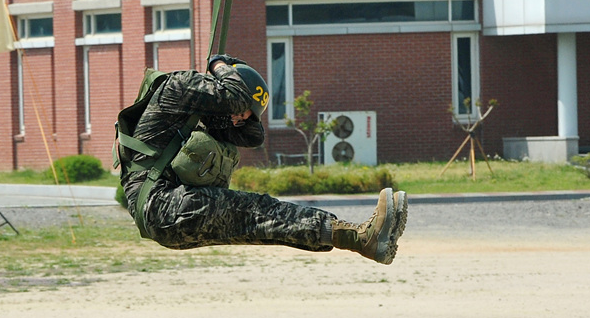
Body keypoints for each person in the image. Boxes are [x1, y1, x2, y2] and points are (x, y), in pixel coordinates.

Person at [119, 56, 409, 265]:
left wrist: (243, 110)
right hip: (160, 203)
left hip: (164, 213)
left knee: (265, 225)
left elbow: (253, 136)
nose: (237, 118)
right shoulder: (178, 87)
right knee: (260, 209)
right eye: (240, 111)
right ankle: (360, 236)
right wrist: (220, 65)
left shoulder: (196, 113)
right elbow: (234, 96)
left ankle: (363, 241)